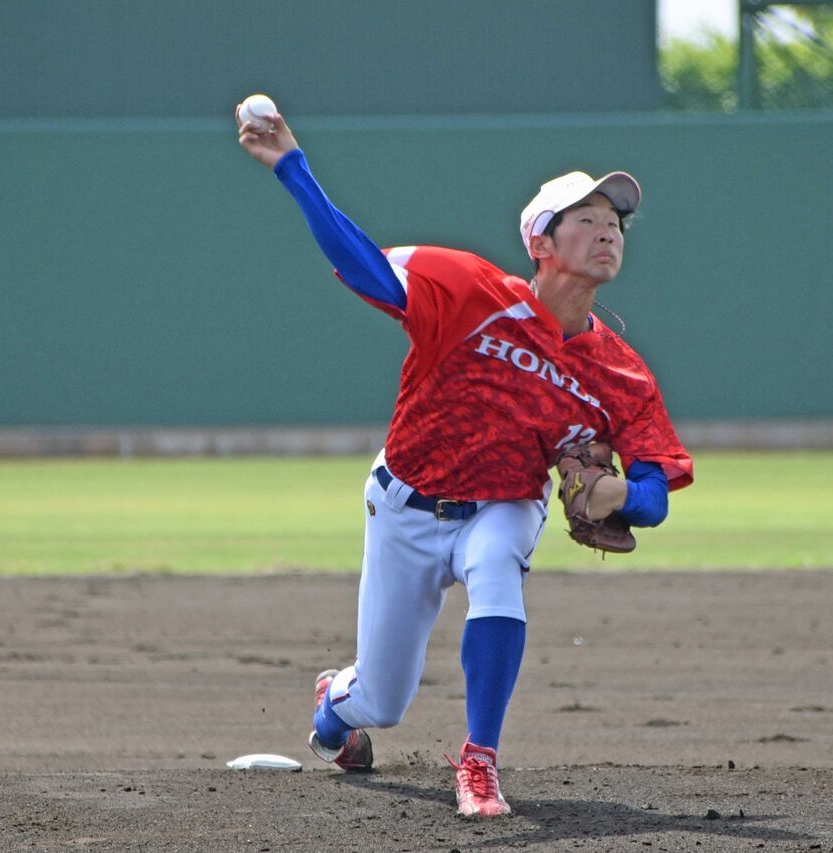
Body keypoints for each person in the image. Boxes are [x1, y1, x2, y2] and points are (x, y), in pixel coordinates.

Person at [235, 101, 693, 818]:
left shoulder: (622, 373)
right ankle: (332, 708)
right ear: (541, 241)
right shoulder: (469, 292)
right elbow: (360, 263)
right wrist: (292, 167)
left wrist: (623, 498)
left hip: (505, 501)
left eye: (616, 222)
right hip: (406, 505)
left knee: (498, 566)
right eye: (587, 218)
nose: (608, 230)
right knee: (381, 700)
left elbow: (656, 491)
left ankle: (479, 762)